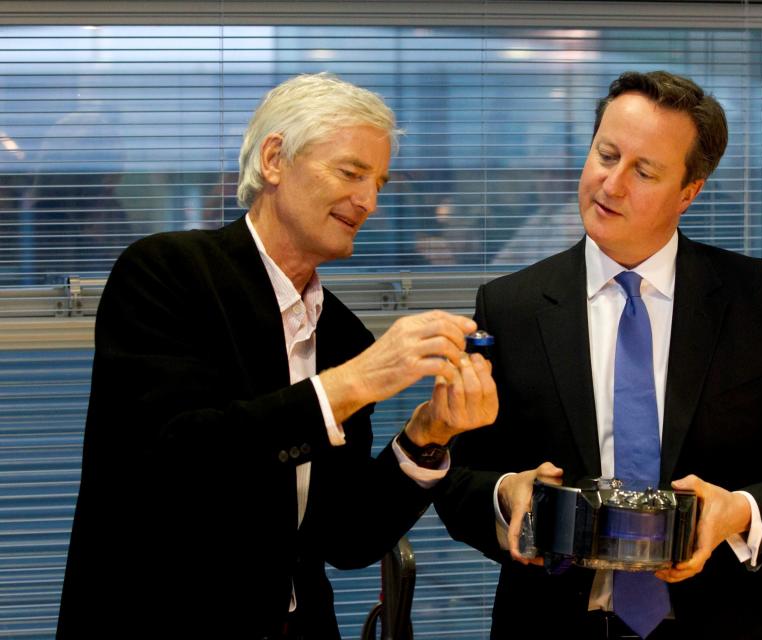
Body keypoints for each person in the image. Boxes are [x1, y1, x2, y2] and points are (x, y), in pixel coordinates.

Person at [56, 73, 498, 639]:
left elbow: (347, 539)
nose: (368, 201)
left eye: (380, 183)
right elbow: (175, 461)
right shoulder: (167, 273)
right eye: (351, 173)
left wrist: (426, 434)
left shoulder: (341, 333)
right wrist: (350, 386)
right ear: (274, 160)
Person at [435, 70, 762, 639]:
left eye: (644, 171)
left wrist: (737, 510)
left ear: (690, 190)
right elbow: (459, 479)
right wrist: (505, 493)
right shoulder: (510, 306)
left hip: (725, 620)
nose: (610, 184)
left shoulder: (760, 299)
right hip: (555, 622)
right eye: (605, 155)